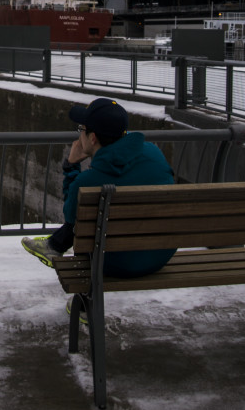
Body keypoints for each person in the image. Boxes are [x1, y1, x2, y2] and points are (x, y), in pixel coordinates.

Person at [22, 97, 175, 277]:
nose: (79, 135)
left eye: (82, 130)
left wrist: (71, 166)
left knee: (86, 225)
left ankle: (84, 301)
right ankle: (53, 246)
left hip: (116, 264)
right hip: (160, 255)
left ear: (92, 138)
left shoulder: (89, 180)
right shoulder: (153, 153)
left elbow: (71, 217)